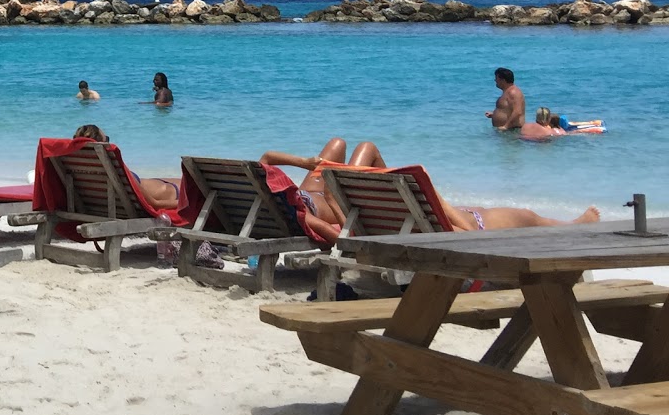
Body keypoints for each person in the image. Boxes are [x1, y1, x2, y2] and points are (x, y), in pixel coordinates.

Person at [261, 137, 599, 241]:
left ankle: (573, 224)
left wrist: (308, 163)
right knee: (526, 216)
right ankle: (574, 227)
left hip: (374, 211)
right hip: (454, 224)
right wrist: (436, 196)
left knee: (341, 143)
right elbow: (465, 231)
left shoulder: (289, 197)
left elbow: (265, 158)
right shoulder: (313, 215)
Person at [71, 124, 182, 211]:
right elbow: (155, 204)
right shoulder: (114, 170)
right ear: (102, 145)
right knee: (192, 184)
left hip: (151, 185)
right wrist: (187, 204)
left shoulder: (77, 171)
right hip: (169, 194)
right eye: (107, 139)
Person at [486, 67, 525, 131]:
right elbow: (508, 110)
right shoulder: (507, 92)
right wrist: (494, 114)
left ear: (503, 80)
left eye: (496, 78)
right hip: (507, 131)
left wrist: (506, 126)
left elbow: (518, 112)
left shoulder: (514, 92)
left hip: (512, 130)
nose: (495, 80)